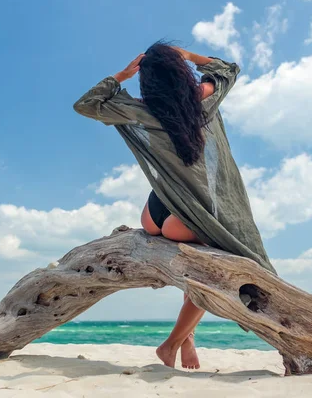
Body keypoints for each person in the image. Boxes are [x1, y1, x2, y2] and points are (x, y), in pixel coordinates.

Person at [74, 41, 276, 370]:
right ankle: (172, 344)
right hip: (187, 216)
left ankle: (188, 340)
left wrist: (122, 75)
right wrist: (189, 56)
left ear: (147, 80)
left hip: (155, 214)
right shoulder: (203, 98)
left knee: (200, 259)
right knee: (212, 271)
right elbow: (229, 68)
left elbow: (86, 104)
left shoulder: (140, 109)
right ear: (180, 73)